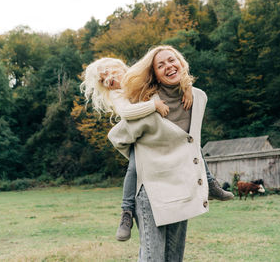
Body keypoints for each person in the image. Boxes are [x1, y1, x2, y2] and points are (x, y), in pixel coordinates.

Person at [108, 45, 234, 261]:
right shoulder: (148, 107)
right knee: (153, 258)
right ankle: (126, 210)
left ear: (181, 63)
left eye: (171, 60)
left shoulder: (198, 98)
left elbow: (192, 142)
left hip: (181, 185)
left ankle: (212, 184)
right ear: (154, 74)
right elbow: (118, 137)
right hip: (152, 193)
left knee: (174, 258)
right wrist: (149, 160)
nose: (168, 66)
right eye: (160, 65)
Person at [80, 57, 195, 241]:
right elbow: (126, 112)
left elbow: (171, 81)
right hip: (141, 139)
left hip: (163, 132)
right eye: (103, 79)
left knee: (189, 145)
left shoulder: (142, 78)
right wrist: (153, 105)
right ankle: (126, 212)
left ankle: (209, 182)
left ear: (121, 66)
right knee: (133, 168)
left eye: (110, 71)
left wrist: (188, 89)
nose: (109, 78)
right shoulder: (117, 94)